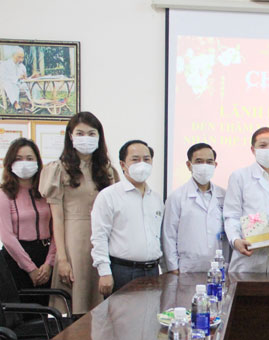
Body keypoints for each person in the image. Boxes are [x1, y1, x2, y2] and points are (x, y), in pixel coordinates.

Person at [39, 111, 119, 315]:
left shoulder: (107, 170)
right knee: (75, 309)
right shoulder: (59, 169)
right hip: (74, 243)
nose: (86, 138)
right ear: (70, 136)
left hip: (104, 242)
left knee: (103, 311)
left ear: (99, 137)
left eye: (91, 134)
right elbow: (57, 219)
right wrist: (62, 259)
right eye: (80, 133)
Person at [91, 140, 164, 296]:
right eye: (135, 159)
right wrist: (104, 272)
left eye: (146, 159)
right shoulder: (109, 196)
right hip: (123, 272)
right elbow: (99, 236)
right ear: (123, 165)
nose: (142, 164)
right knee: (122, 319)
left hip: (152, 271)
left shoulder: (156, 198)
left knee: (150, 318)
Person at [223, 127, 269, 273]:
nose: (268, 149)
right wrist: (236, 241)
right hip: (247, 260)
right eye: (262, 145)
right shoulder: (239, 177)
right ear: (253, 149)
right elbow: (231, 216)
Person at [0, 138, 55, 306]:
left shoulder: (46, 192)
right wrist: (30, 268)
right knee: (22, 313)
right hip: (17, 258)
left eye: (30, 158)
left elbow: (56, 230)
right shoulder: (5, 194)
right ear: (9, 163)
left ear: (38, 162)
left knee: (48, 311)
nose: (25, 163)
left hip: (46, 255)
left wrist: (49, 263)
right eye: (18, 158)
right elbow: (7, 237)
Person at [163, 143, 229, 274]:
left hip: (220, 267)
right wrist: (173, 268)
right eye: (199, 161)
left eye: (209, 162)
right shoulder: (177, 197)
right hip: (188, 267)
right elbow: (168, 235)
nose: (204, 166)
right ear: (189, 165)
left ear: (215, 165)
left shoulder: (224, 195)